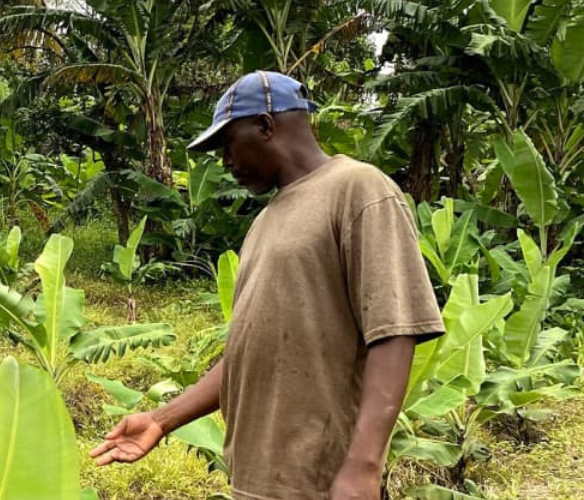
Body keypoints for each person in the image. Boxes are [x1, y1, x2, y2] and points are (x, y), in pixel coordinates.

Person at [89, 71, 444, 500]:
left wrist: (363, 466)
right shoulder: (266, 221)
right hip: (260, 480)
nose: (225, 162)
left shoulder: (358, 189)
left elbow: (395, 331)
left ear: (266, 126)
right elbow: (250, 351)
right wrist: (163, 419)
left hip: (323, 483)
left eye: (228, 144)